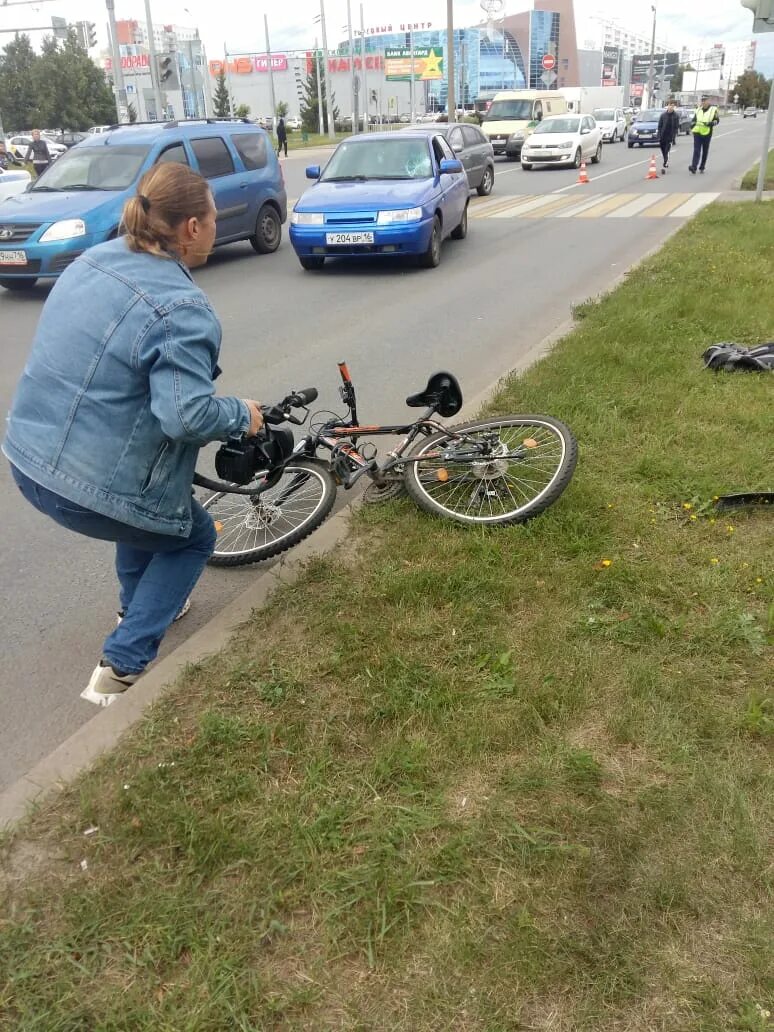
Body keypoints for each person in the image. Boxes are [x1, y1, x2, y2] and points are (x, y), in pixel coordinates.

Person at [2, 162, 263, 707]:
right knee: (193, 537)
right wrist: (243, 414)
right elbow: (186, 417)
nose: (217, 224)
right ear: (191, 227)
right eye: (213, 216)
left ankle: (132, 603)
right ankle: (120, 668)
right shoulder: (182, 307)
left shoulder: (92, 259)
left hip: (26, 458)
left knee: (144, 516)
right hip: (84, 486)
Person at [689, 96, 719, 175]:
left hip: (707, 132)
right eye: (702, 101)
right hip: (697, 132)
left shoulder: (713, 110)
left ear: (708, 101)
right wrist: (692, 125)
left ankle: (702, 166)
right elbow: (694, 120)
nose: (703, 102)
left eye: (704, 100)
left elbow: (717, 120)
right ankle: (694, 167)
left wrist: (711, 123)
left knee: (705, 151)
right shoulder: (698, 109)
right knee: (696, 150)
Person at [657, 99, 680, 174]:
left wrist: (674, 135)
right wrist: (659, 134)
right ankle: (665, 159)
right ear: (668, 106)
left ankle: (665, 163)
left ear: (674, 107)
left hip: (670, 136)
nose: (671, 107)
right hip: (663, 135)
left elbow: (676, 127)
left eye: (673, 106)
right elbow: (659, 126)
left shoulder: (676, 116)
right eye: (670, 105)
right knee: (663, 150)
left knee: (667, 150)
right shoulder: (663, 115)